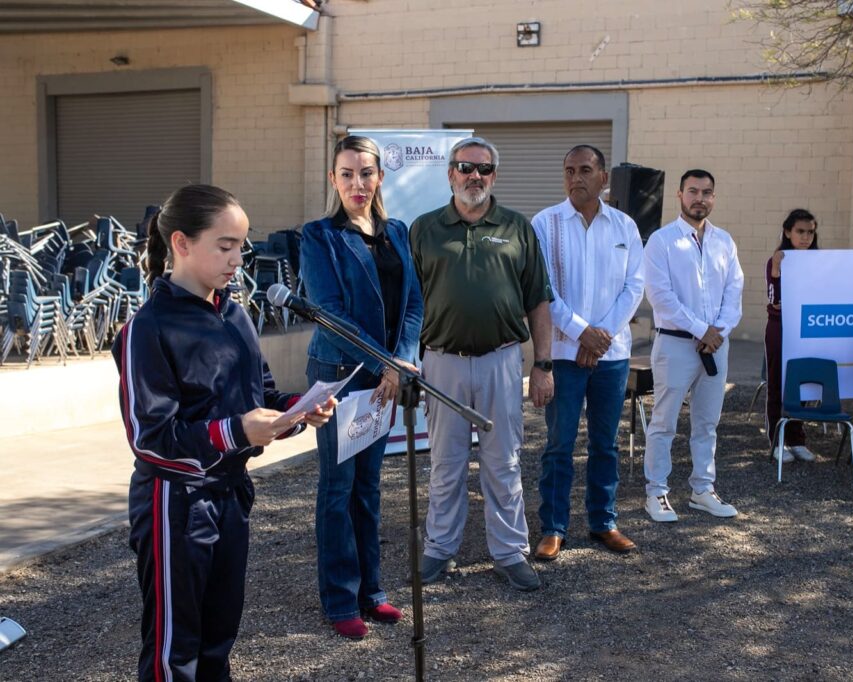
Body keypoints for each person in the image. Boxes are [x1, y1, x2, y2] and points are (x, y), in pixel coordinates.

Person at [114, 184, 336, 681]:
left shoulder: (234, 312)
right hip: (175, 502)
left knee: (219, 637)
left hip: (230, 496)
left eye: (241, 245)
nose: (238, 258)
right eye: (225, 245)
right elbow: (151, 439)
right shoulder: (147, 329)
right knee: (176, 648)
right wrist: (236, 432)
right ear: (181, 243)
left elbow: (262, 392)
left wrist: (298, 410)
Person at [410, 136, 554, 591]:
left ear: (495, 175)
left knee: (503, 461)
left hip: (501, 360)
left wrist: (543, 365)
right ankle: (439, 549)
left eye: (484, 169)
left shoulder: (517, 227)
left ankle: (510, 552)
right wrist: (405, 361)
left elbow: (539, 301)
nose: (475, 177)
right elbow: (409, 305)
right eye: (465, 167)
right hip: (441, 363)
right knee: (445, 463)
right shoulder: (424, 229)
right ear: (450, 173)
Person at [300, 135, 423, 640]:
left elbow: (415, 304)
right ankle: (338, 599)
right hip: (342, 376)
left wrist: (403, 361)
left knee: (369, 487)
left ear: (379, 177)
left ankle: (372, 592)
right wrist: (386, 363)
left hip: (386, 378)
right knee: (338, 488)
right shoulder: (319, 236)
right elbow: (329, 313)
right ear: (333, 179)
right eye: (346, 174)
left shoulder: (397, 232)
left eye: (366, 173)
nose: (357, 183)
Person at [530, 145, 644, 561]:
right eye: (569, 171)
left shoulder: (625, 227)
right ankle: (553, 527)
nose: (576, 177)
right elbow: (543, 290)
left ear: (604, 178)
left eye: (585, 170)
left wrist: (602, 337)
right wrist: (582, 335)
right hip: (562, 353)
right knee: (559, 444)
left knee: (605, 443)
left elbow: (634, 287)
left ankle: (604, 522)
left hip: (611, 357)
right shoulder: (545, 223)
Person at [642, 169, 744, 522]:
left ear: (713, 197)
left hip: (716, 346)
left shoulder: (725, 241)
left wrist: (719, 330)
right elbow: (660, 296)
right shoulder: (661, 241)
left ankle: (702, 489)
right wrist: (702, 329)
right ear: (680, 195)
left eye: (707, 192)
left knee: (707, 423)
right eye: (693, 191)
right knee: (664, 422)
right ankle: (656, 492)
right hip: (676, 344)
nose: (700, 198)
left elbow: (734, 291)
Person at [765, 209, 819, 464]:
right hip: (780, 330)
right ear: (788, 232)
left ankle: (797, 439)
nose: (806, 237)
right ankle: (777, 442)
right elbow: (776, 302)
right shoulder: (778, 259)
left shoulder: (820, 261)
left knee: (802, 386)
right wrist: (777, 269)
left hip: (807, 330)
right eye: (800, 231)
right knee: (777, 384)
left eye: (810, 231)